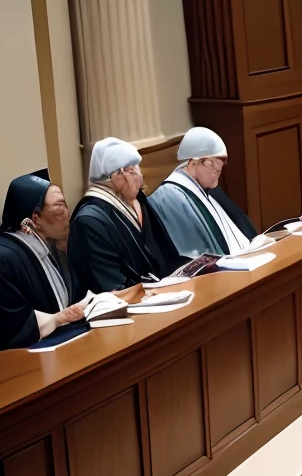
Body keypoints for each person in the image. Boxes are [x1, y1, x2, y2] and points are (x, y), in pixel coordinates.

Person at [69, 137, 179, 293]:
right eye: (134, 170)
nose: (140, 178)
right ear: (117, 175)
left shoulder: (137, 201)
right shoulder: (89, 221)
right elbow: (111, 286)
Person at [0, 171, 86, 348]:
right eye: (59, 206)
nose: (66, 213)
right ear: (35, 218)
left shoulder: (53, 245)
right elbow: (12, 324)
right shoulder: (5, 258)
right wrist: (56, 319)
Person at [148, 127, 257, 257]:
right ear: (193, 162)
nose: (217, 171)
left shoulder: (209, 188)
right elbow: (195, 251)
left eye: (220, 165)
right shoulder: (168, 196)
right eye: (213, 164)